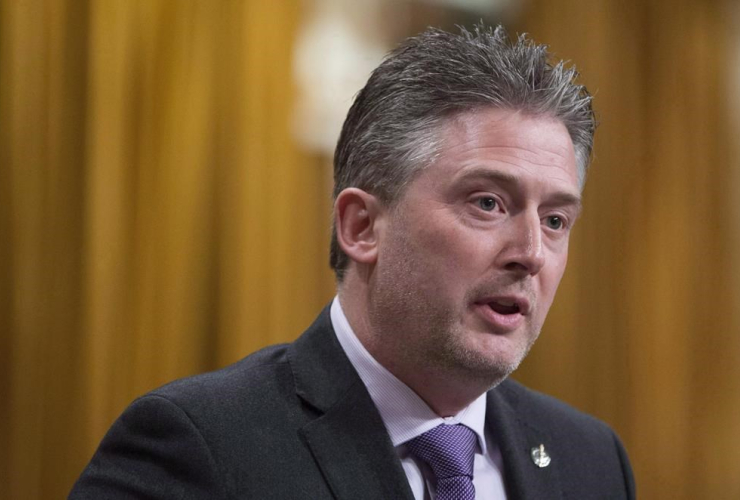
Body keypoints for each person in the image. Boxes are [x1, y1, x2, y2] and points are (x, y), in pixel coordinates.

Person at [70, 24, 635, 499]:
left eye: (556, 220)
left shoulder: (589, 459)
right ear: (362, 226)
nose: (532, 253)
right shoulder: (198, 448)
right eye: (488, 203)